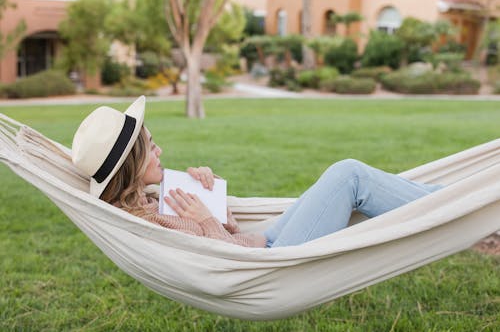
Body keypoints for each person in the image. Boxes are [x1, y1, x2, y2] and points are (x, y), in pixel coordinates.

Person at [72, 96, 442, 248]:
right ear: (131, 164)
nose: (160, 151)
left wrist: (210, 198)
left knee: (349, 177)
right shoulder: (146, 222)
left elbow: (229, 234)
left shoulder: (152, 199)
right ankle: (454, 199)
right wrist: (205, 220)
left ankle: (453, 195)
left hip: (264, 240)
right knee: (349, 176)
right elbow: (218, 261)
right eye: (151, 147)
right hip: (273, 259)